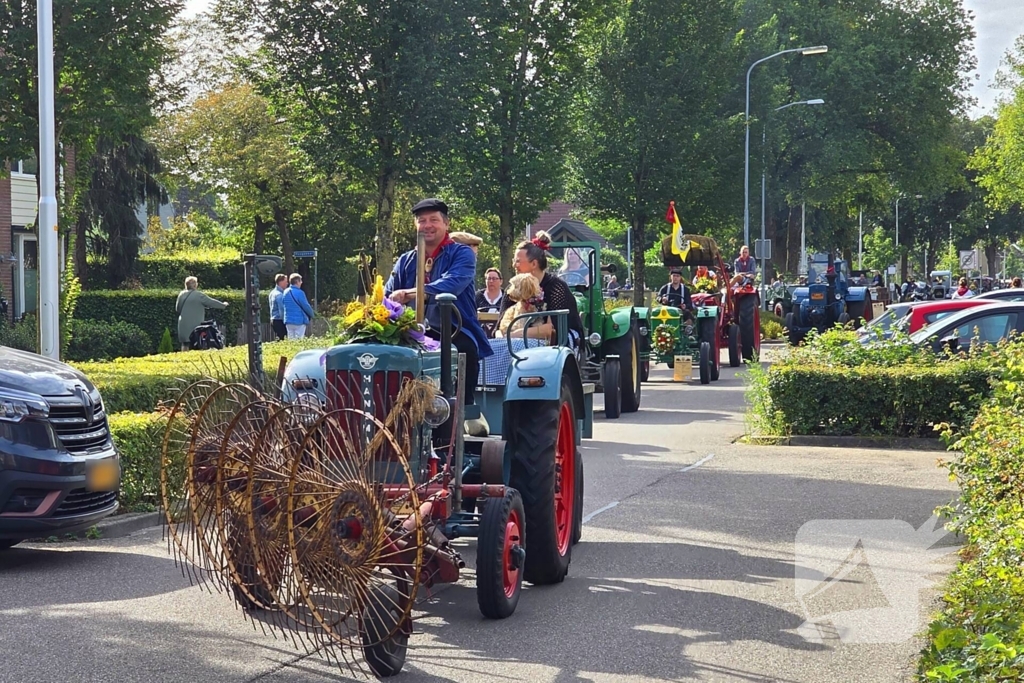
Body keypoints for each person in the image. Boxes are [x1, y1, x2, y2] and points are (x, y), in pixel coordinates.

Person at [385, 198, 493, 434]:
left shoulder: (462, 253)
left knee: (465, 348)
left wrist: (411, 294)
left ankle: (466, 407)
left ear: (446, 224)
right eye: (421, 221)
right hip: (410, 331)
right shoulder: (406, 260)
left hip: (452, 327)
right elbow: (388, 294)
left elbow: (453, 283)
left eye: (433, 220)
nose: (427, 225)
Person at [500, 231, 585, 346]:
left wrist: (515, 334)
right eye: (514, 261)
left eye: (518, 261)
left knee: (517, 347)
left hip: (555, 343)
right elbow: (500, 326)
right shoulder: (512, 289)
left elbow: (552, 331)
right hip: (515, 339)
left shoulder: (556, 288)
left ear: (534, 264)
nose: (514, 265)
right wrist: (501, 337)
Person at [176, 276, 228, 351]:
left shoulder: (181, 294)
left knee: (185, 344)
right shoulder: (199, 295)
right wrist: (223, 305)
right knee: (197, 343)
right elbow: (211, 302)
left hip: (183, 324)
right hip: (195, 325)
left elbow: (177, 309)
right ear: (195, 285)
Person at [495, 274, 543, 339]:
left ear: (524, 288)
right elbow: (519, 328)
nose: (509, 292)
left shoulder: (539, 304)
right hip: (512, 336)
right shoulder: (520, 306)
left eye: (515, 287)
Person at [282, 273, 315, 338]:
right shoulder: (300, 292)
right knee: (299, 339)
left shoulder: (285, 292)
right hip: (299, 320)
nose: (301, 282)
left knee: (291, 339)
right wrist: (312, 314)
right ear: (297, 282)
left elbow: (283, 304)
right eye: (300, 281)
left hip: (288, 320)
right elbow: (306, 306)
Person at [268, 273, 288, 341]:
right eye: (285, 281)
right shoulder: (279, 295)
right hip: (279, 320)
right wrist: (285, 321)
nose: (287, 283)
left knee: (279, 338)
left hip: (273, 319)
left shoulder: (272, 293)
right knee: (282, 339)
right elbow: (282, 310)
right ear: (281, 282)